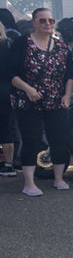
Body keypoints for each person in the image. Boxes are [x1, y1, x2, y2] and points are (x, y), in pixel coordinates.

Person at [8, 8, 73, 195]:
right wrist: (28, 89)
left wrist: (67, 95)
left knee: (59, 139)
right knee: (32, 140)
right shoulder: (22, 44)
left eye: (51, 21)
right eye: (43, 20)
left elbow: (70, 74)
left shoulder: (61, 46)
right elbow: (10, 73)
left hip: (56, 100)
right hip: (28, 101)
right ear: (34, 22)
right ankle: (29, 183)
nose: (48, 24)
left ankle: (59, 178)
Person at [0, 23, 19, 178]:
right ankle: (10, 163)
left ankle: (8, 165)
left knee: (7, 128)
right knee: (9, 127)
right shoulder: (9, 45)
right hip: (8, 90)